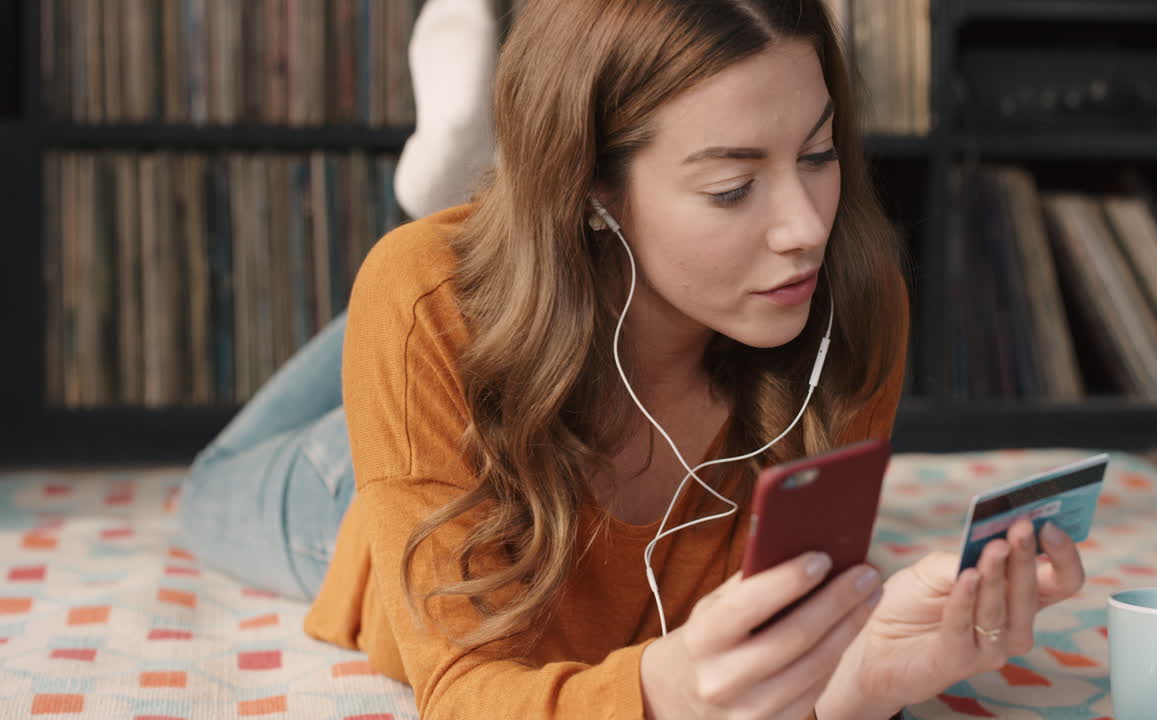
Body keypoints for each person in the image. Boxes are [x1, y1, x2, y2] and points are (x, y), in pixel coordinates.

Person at [177, 1, 1087, 718]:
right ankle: (452, 226)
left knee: (449, 278)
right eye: (732, 187)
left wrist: (862, 686)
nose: (807, 227)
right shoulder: (429, 320)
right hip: (402, 455)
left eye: (817, 155)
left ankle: (483, 229)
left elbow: (764, 666)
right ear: (592, 188)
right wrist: (666, 692)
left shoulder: (848, 295)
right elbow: (464, 694)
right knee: (213, 486)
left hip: (544, 277)